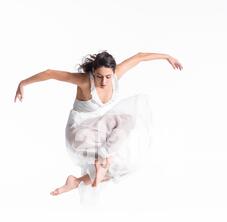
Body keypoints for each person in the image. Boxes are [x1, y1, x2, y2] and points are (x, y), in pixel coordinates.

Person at [14, 51, 183, 198]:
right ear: (93, 73)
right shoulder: (84, 81)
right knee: (120, 132)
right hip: (79, 133)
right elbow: (50, 73)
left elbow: (139, 57)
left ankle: (76, 181)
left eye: (108, 77)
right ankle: (103, 160)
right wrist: (23, 83)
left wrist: (167, 56)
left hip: (98, 130)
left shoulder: (115, 76)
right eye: (99, 77)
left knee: (127, 163)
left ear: (113, 73)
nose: (103, 82)